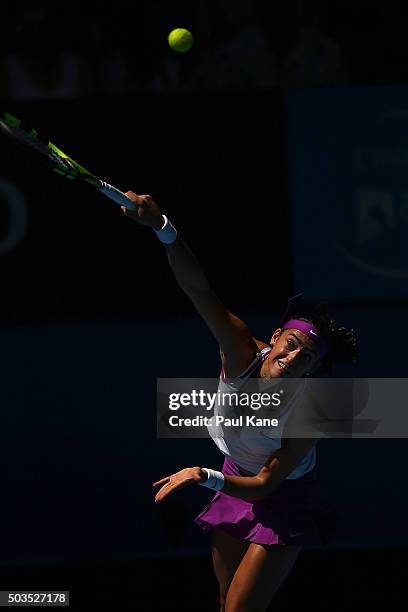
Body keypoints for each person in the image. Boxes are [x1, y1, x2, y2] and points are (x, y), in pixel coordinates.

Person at [121, 192, 358, 611]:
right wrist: (163, 228)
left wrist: (202, 475)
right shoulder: (240, 350)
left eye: (307, 358)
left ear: (314, 369)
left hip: (284, 498)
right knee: (223, 601)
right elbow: (198, 288)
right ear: (277, 335)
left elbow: (266, 484)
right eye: (290, 345)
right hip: (233, 479)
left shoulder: (311, 410)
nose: (292, 359)